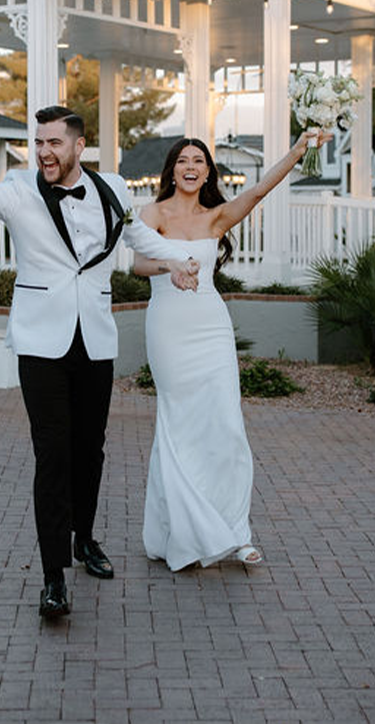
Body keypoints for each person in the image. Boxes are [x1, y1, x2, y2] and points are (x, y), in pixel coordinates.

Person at [0, 83, 194, 618]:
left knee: (91, 450)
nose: (44, 151)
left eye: (54, 143)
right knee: (52, 454)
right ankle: (53, 576)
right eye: (38, 142)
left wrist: (178, 258)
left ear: (78, 146)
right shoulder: (19, 188)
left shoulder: (110, 188)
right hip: (41, 343)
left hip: (96, 341)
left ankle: (84, 539)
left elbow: (135, 237)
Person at [129, 129, 330, 571]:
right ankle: (181, 530)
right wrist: (170, 264)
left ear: (207, 172)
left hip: (210, 326)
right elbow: (138, 263)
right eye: (183, 160)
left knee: (226, 426)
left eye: (199, 161)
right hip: (169, 328)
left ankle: (235, 531)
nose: (190, 167)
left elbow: (258, 191)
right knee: (180, 424)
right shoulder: (153, 213)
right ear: (172, 169)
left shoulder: (215, 218)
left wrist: (298, 150)